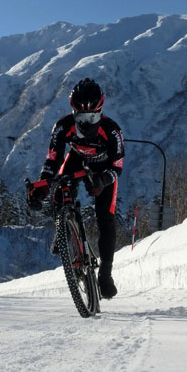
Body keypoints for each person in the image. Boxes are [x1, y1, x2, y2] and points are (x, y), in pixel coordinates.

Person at [27, 78, 124, 299]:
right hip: (77, 159)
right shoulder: (62, 126)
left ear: (100, 111)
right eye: (80, 117)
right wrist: (40, 187)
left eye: (92, 117)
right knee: (58, 184)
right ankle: (63, 226)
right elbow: (52, 161)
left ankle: (105, 274)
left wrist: (102, 180)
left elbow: (117, 168)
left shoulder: (112, 131)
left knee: (105, 219)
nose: (86, 122)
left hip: (103, 169)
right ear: (73, 112)